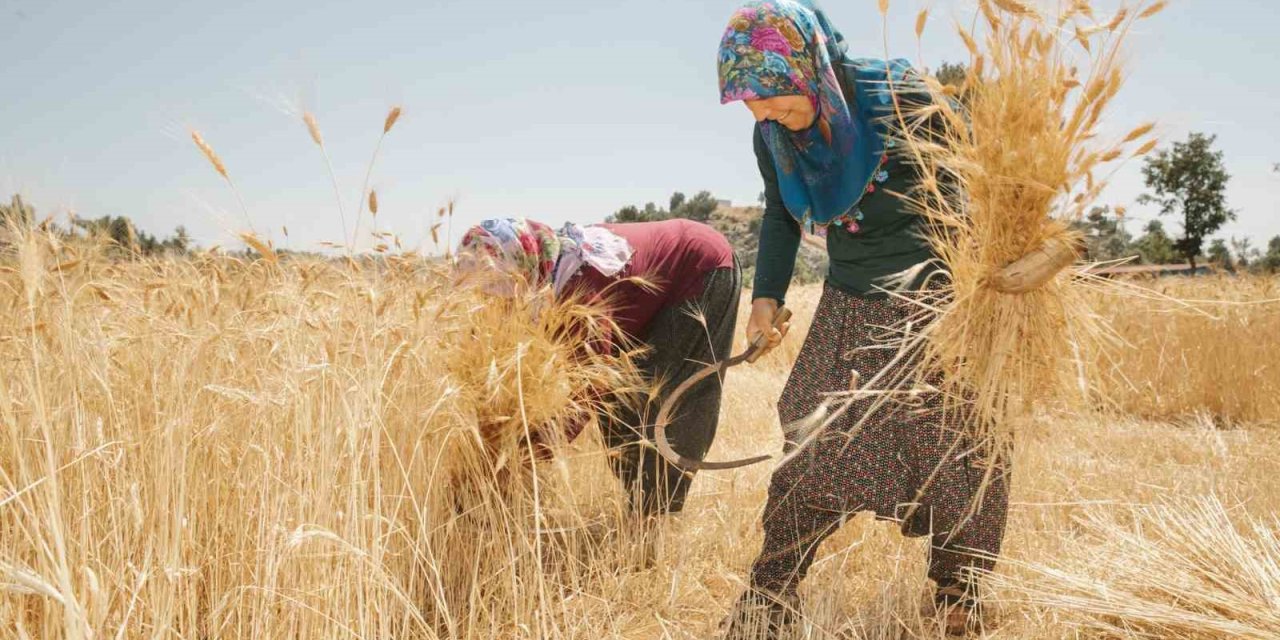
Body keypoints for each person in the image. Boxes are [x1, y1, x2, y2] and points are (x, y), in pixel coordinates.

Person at [715, 1, 1011, 636]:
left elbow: (978, 185)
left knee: (959, 442)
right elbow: (777, 213)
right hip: (849, 298)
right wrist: (765, 295)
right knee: (811, 436)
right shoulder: (772, 133)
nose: (766, 115)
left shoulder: (900, 96)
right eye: (752, 105)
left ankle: (961, 593)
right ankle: (772, 594)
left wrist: (979, 296)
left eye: (775, 98)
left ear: (811, 65)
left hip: (938, 303)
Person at [457, 217, 740, 517]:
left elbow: (590, 390)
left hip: (699, 269)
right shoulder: (541, 274)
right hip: (647, 295)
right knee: (620, 410)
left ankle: (654, 522)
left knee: (661, 408)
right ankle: (643, 510)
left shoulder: (577, 289)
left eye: (495, 292)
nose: (492, 302)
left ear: (521, 268)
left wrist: (525, 456)